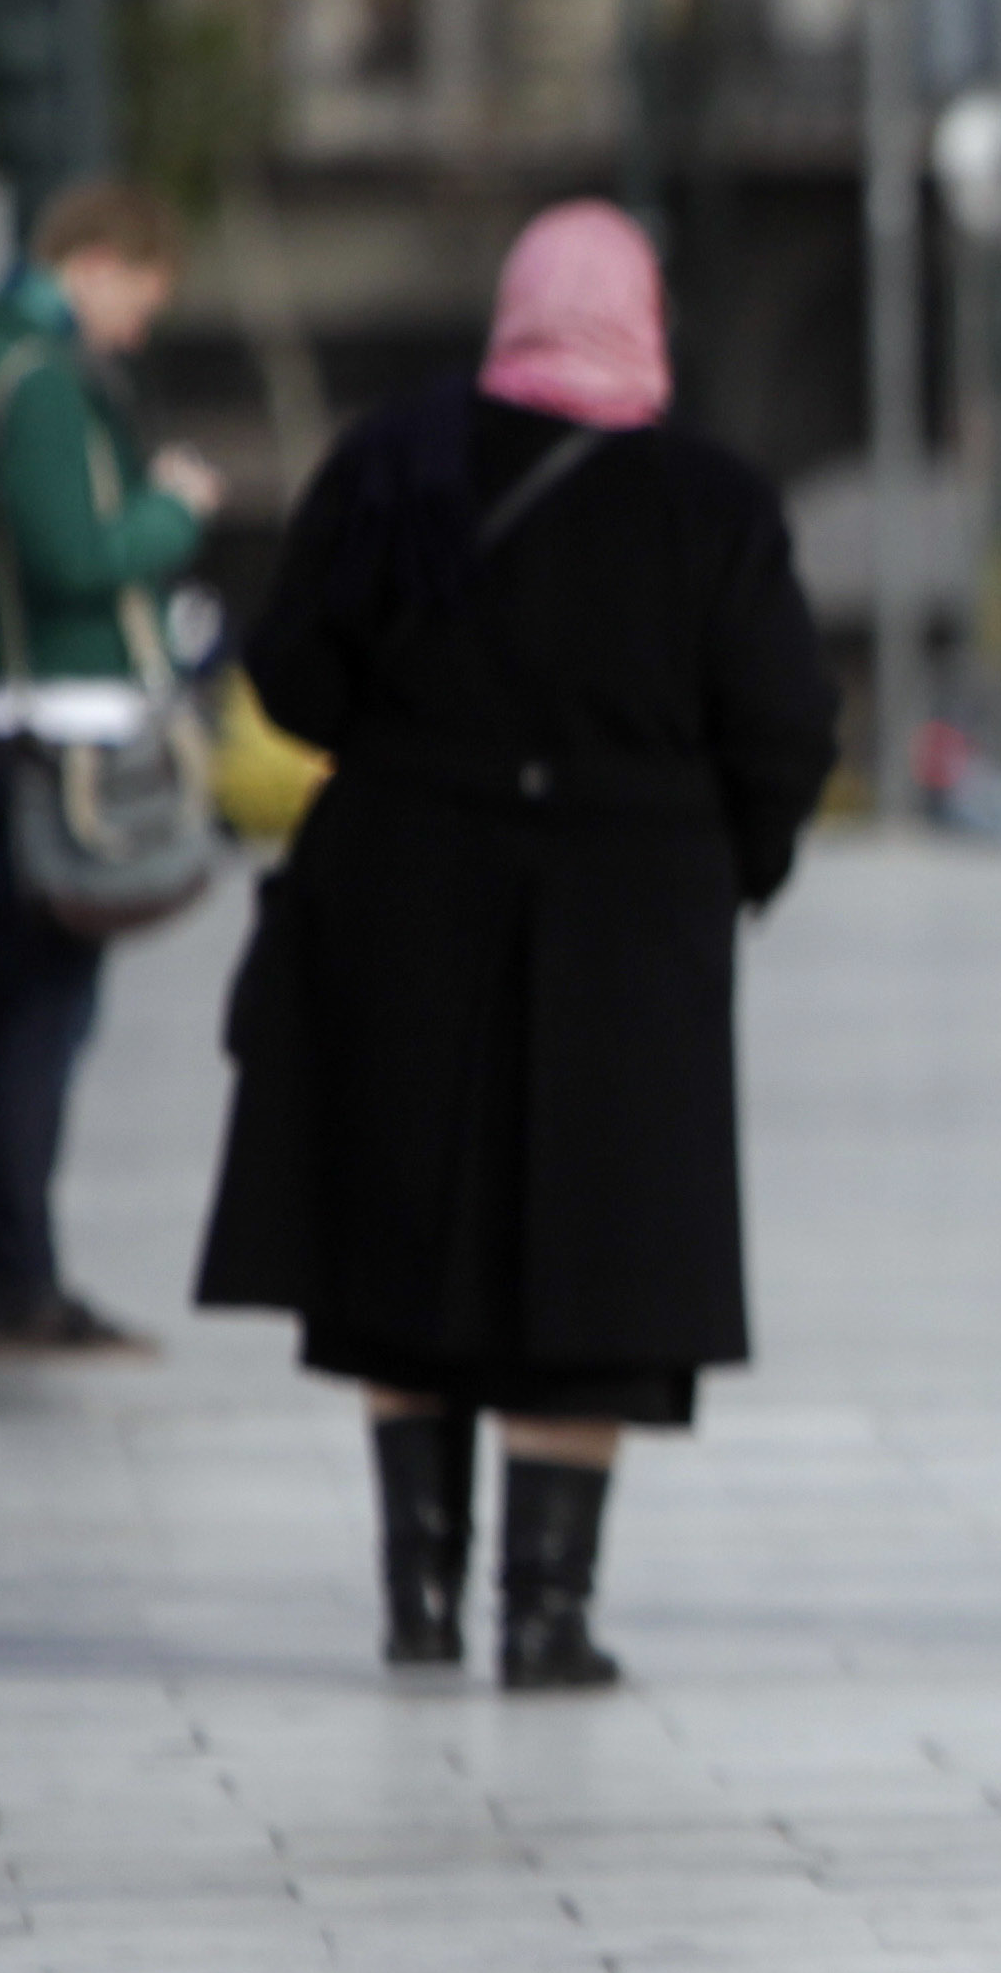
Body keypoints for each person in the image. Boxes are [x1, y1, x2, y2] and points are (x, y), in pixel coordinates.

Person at [193, 203, 838, 1690]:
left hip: (399, 895)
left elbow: (291, 674)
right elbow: (786, 724)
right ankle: (547, 1617)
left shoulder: (395, 462)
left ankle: (417, 1598)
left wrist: (419, 755)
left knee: (405, 1250)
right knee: (596, 1262)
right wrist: (728, 865)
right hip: (627, 920)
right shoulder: (711, 501)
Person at [0, 181, 216, 1356]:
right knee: (43, 1014)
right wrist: (171, 512)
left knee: (2, 1005)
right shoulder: (39, 384)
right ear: (92, 262)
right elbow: (77, 553)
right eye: (140, 295)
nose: (136, 326)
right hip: (67, 726)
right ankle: (13, 1279)